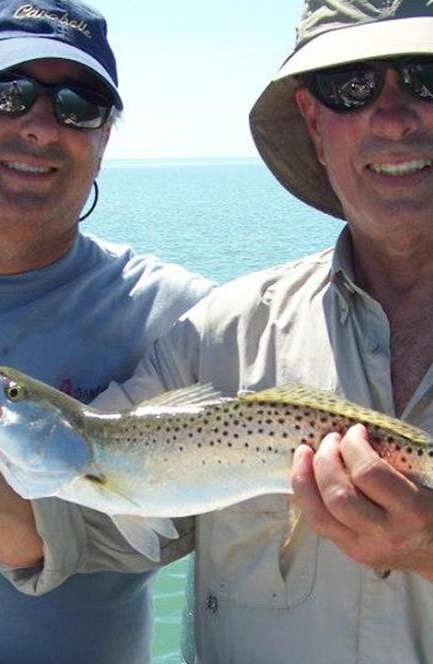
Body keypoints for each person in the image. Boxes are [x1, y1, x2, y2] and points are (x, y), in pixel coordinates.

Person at [90, 1, 433, 662]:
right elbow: (60, 523)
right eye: (352, 85)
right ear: (313, 121)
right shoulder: (217, 339)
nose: (394, 117)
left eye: (426, 76)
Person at [0, 0, 213, 661]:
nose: (39, 126)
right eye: (5, 93)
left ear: (104, 140)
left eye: (78, 106)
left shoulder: (181, 318)